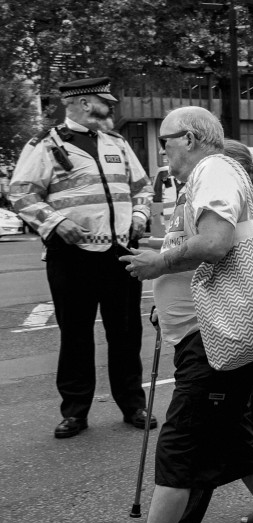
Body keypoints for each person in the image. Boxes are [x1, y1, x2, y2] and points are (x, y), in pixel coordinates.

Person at [66, 106, 253, 523]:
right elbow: (212, 237)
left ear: (194, 138)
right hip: (222, 333)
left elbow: (216, 243)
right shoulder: (210, 175)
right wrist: (163, 249)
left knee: (180, 443)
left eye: (167, 141)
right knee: (238, 438)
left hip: (219, 335)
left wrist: (161, 263)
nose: (162, 151)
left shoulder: (213, 168)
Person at [164, 140, 253, 523]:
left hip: (227, 338)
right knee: (241, 427)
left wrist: (161, 267)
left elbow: (213, 258)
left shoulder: (229, 204)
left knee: (205, 430)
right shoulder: (211, 199)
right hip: (224, 336)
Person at [8, 77, 156, 439]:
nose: (112, 108)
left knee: (125, 333)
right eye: (106, 102)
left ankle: (133, 404)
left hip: (119, 252)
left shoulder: (117, 143)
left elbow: (142, 187)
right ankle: (75, 412)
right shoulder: (45, 144)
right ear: (87, 103)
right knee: (75, 335)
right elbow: (21, 192)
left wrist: (139, 216)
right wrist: (57, 222)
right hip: (71, 255)